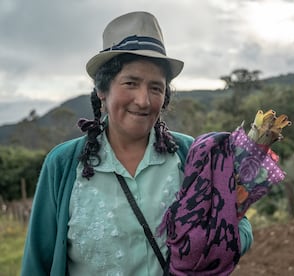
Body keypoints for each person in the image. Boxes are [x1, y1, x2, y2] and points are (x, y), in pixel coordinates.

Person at [21, 11, 253, 276]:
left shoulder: (192, 156)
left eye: (156, 87)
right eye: (130, 83)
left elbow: (238, 222)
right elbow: (37, 262)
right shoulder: (63, 165)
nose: (143, 100)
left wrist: (213, 248)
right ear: (102, 90)